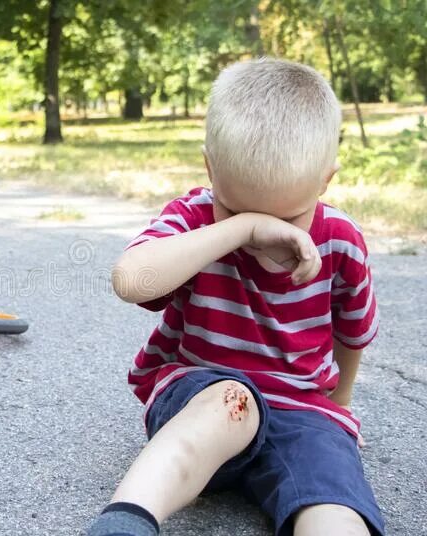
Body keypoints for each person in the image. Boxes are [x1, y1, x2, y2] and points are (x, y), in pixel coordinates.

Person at [89, 58, 383, 536]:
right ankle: (127, 521)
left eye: (286, 220)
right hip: (206, 395)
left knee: (332, 492)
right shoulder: (194, 218)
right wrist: (233, 228)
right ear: (210, 167)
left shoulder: (341, 239)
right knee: (228, 400)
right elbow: (131, 280)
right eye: (239, 211)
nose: (263, 237)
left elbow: (353, 331)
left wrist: (341, 407)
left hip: (303, 408)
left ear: (326, 180)